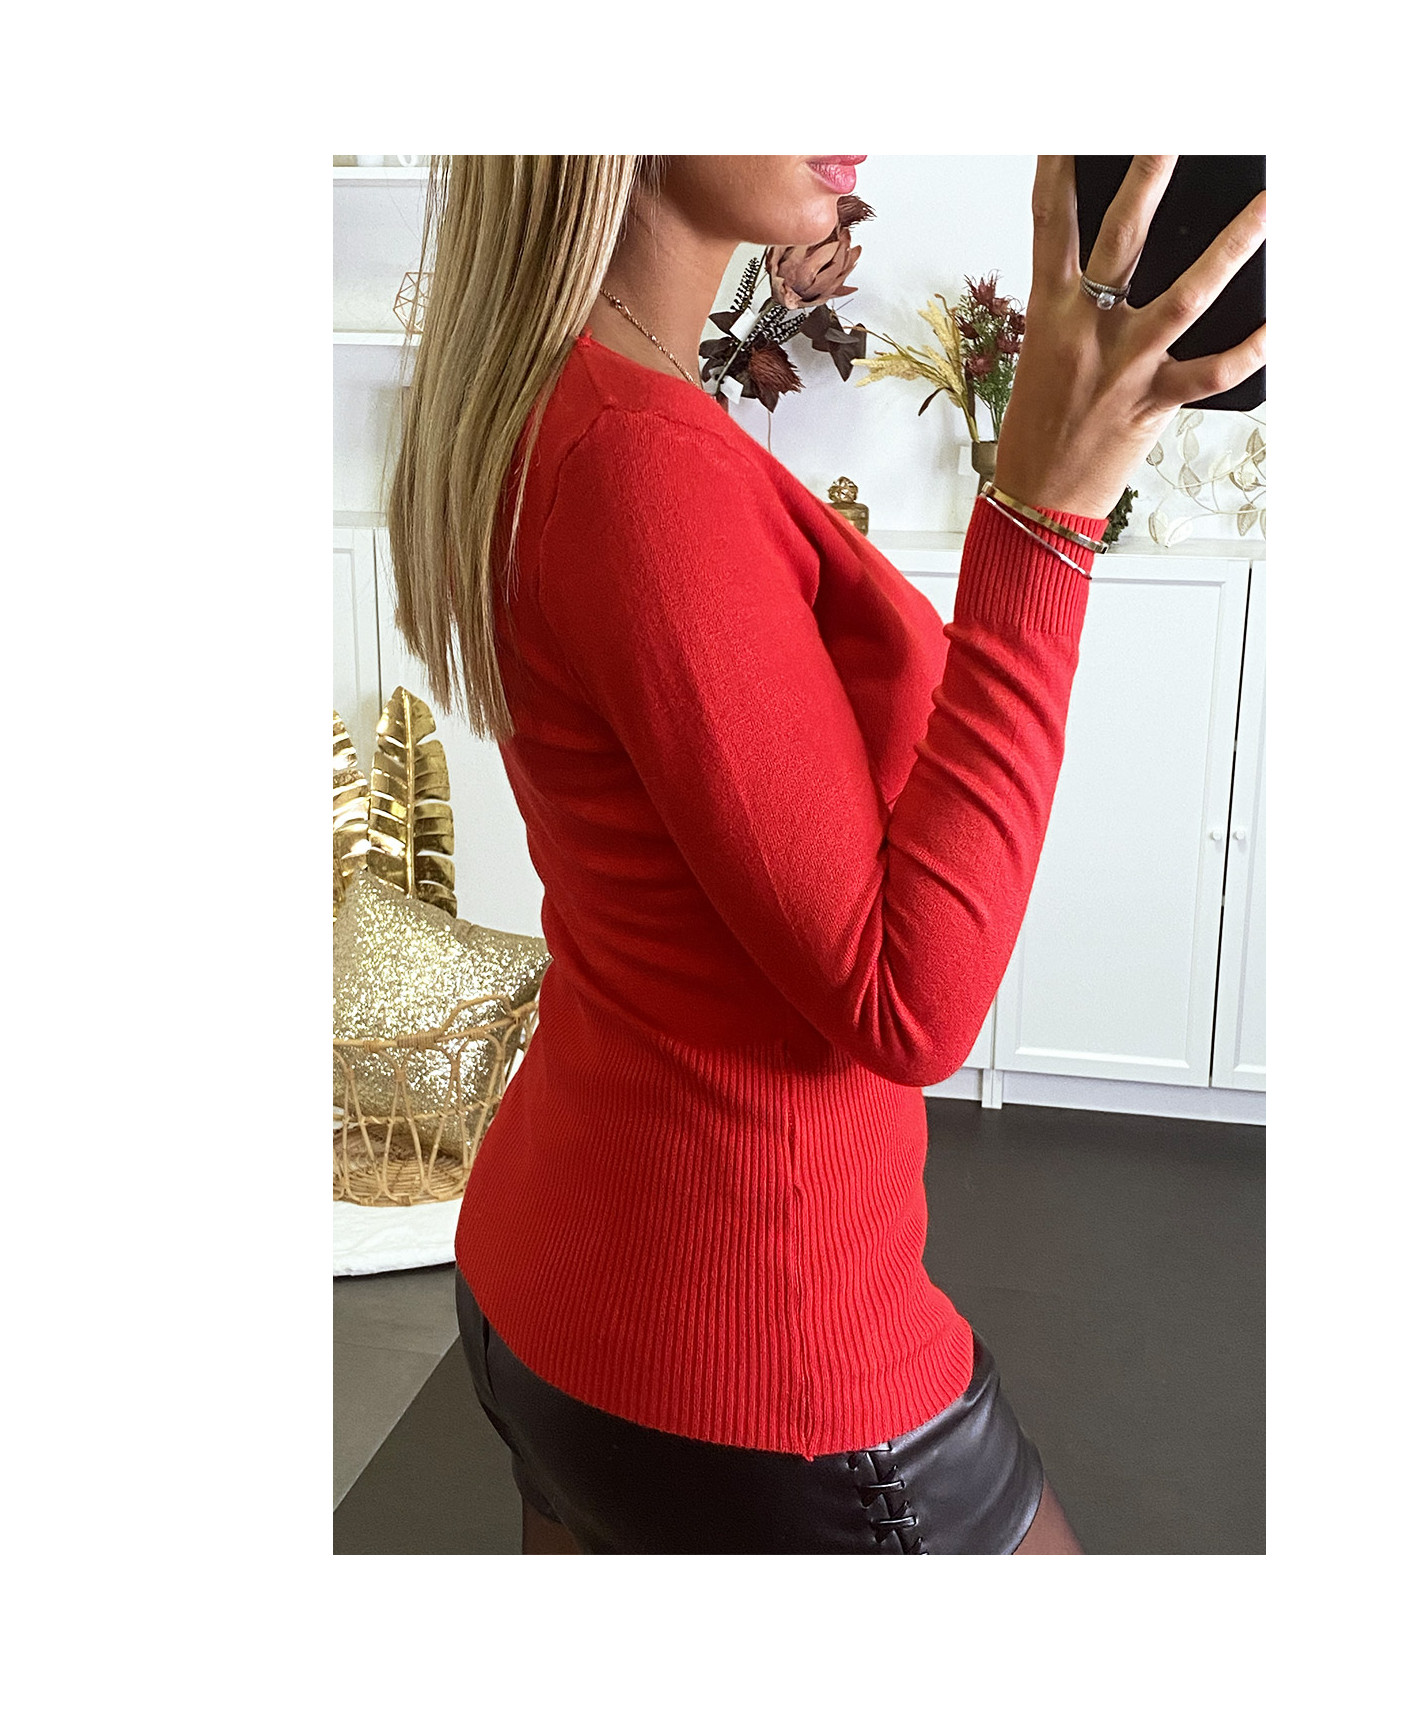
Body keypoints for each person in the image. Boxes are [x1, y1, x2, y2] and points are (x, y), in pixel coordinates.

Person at [386, 154, 1265, 1554]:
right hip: (755, 1352)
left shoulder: (557, 402)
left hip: (551, 1289)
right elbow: (907, 1001)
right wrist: (1046, 515)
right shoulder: (641, 463)